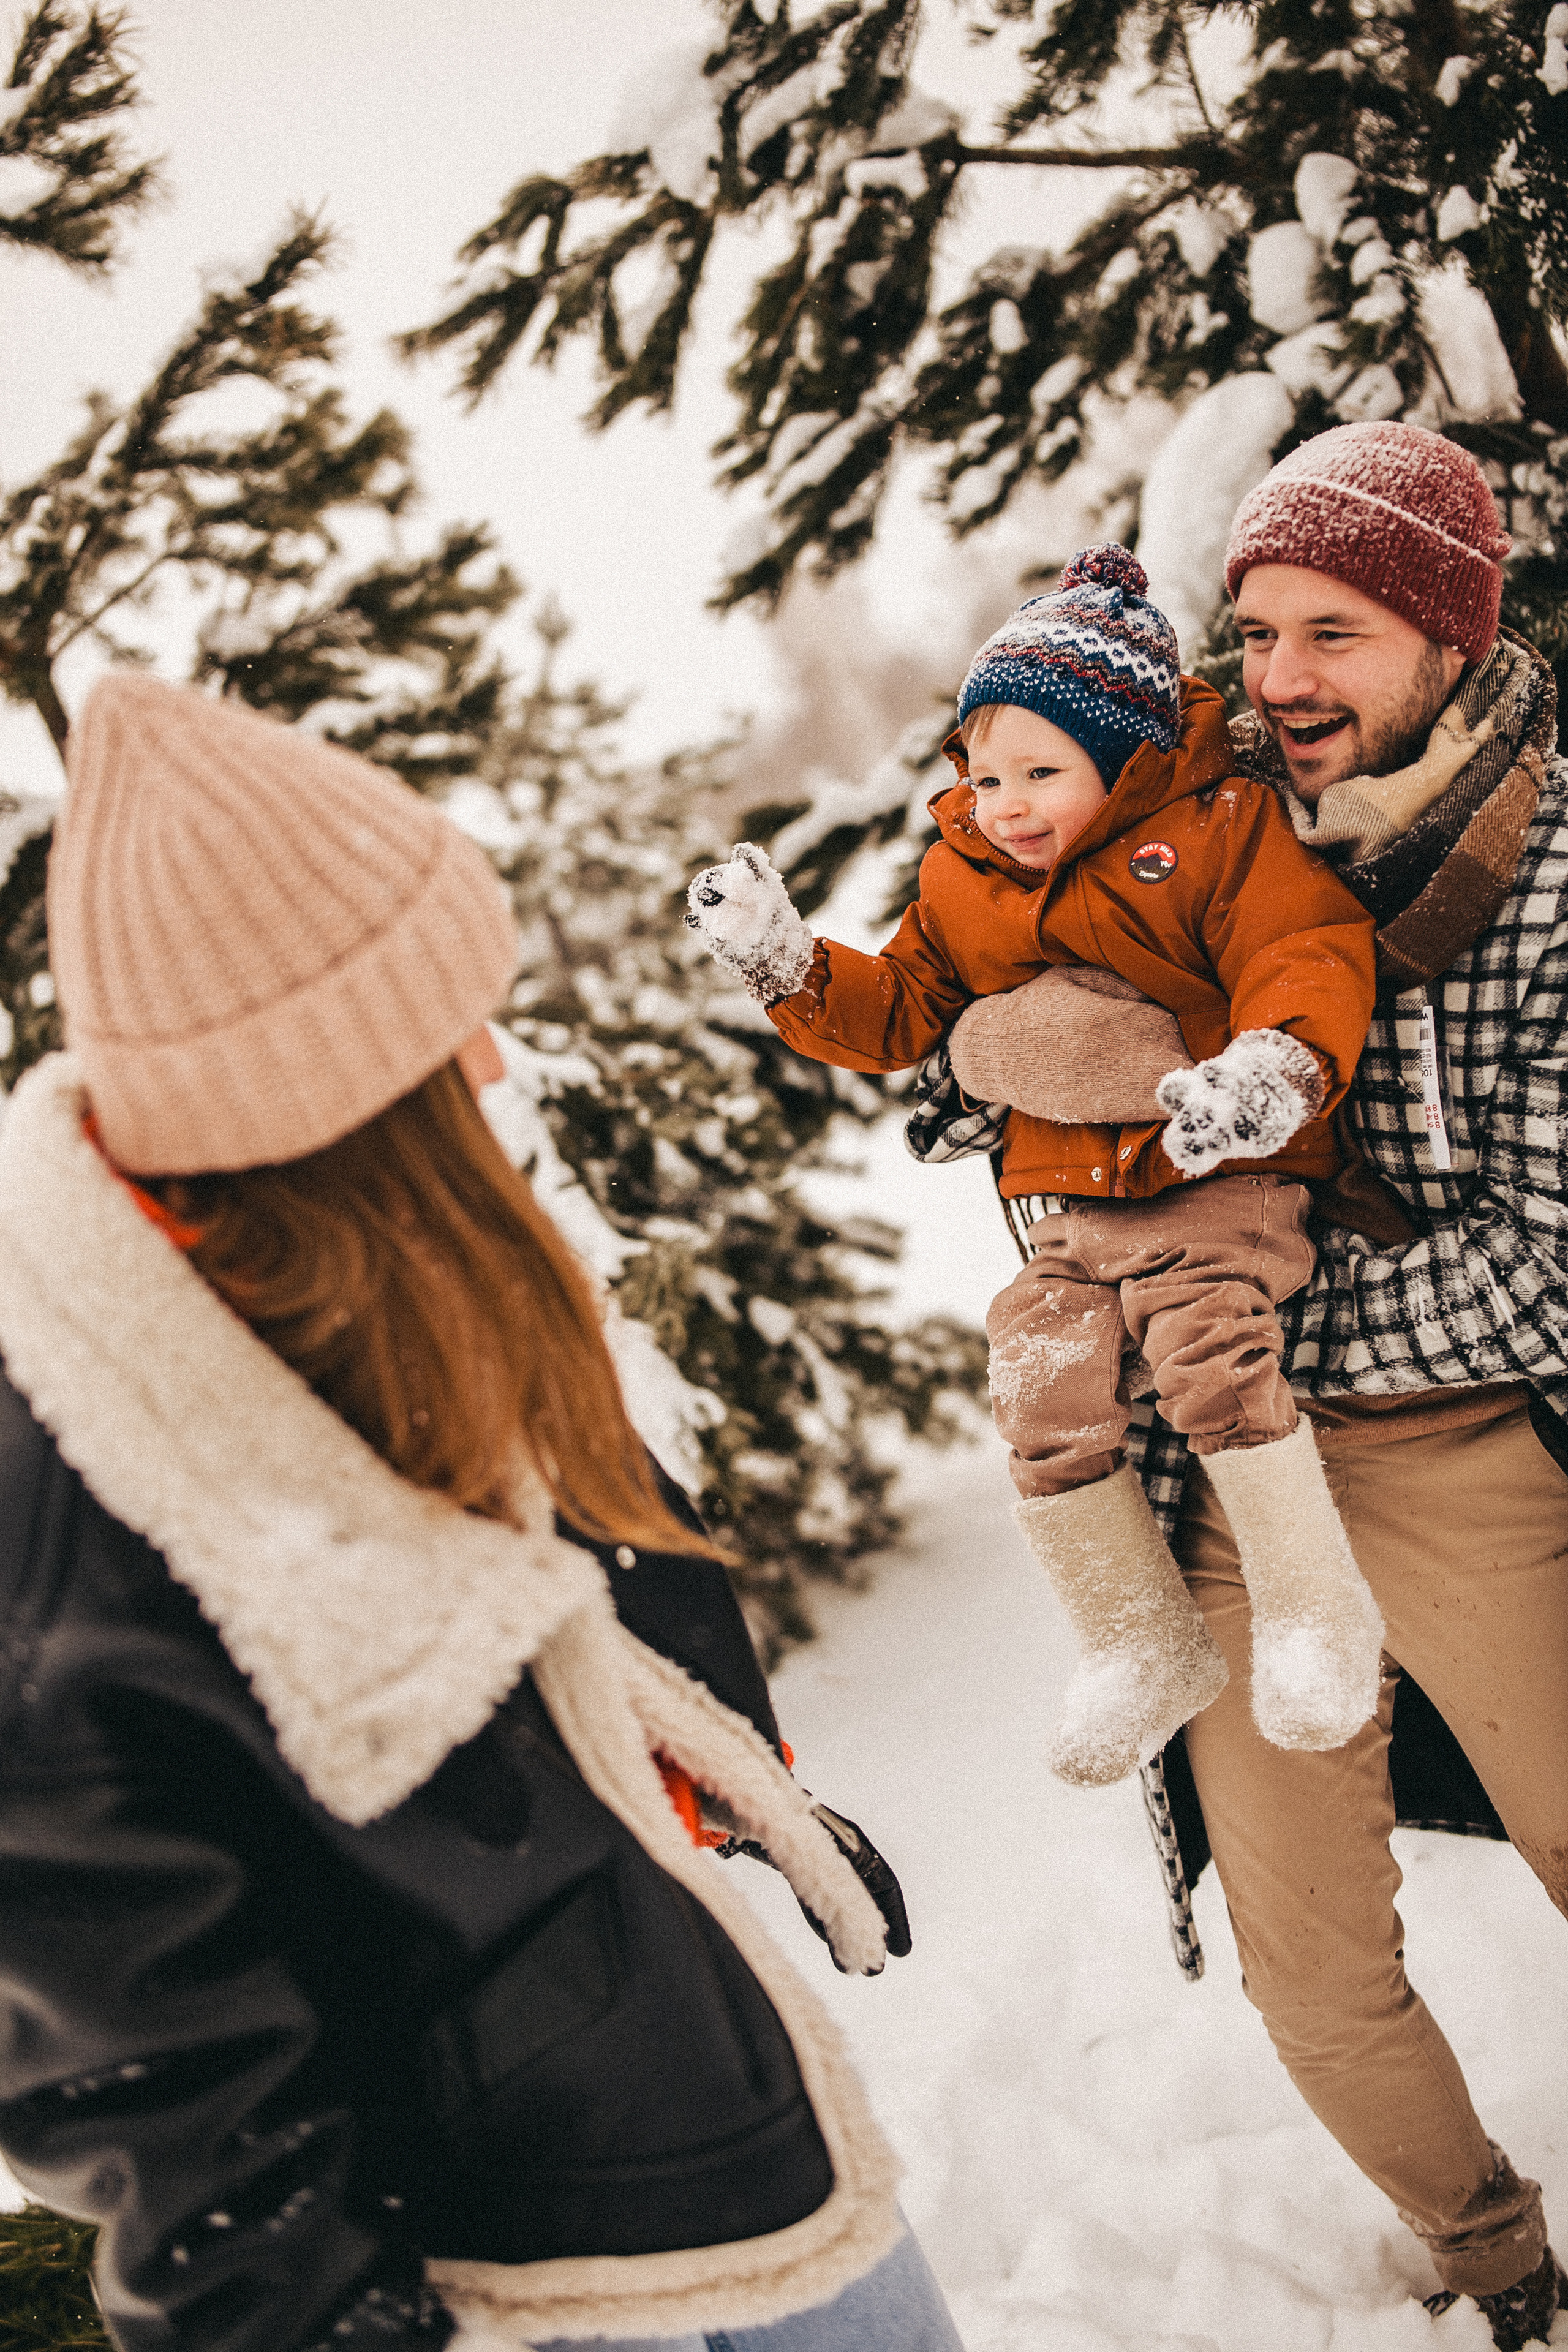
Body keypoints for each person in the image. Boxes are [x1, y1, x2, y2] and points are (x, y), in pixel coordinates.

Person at [0, 673, 960, 2352]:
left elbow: (569, 1586)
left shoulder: (345, 1284)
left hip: (727, 2146)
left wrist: (736, 1789)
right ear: (338, 1104)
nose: (497, 1054)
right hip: (530, 2293)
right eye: (453, 1022)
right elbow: (182, 2127)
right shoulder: (77, 1522)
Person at [938, 422, 1568, 2349]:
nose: (1283, 676)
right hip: (1230, 1484)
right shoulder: (1174, 822)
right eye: (1258, 627)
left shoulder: (1541, 878)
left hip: (1461, 1450)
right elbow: (1006, 973)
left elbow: (1553, 1252)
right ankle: (1493, 2267)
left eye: (1339, 630)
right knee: (1308, 1962)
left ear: (1451, 642)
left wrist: (1260, 1335)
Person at [684, 545, 1383, 1790]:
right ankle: (1132, 1640)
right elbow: (900, 1010)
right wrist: (785, 960)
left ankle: (1313, 1614)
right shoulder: (966, 880)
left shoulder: (1217, 833)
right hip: (1066, 1206)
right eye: (984, 772)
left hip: (1213, 1173)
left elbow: (1305, 954)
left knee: (1206, 1350)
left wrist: (1270, 1068)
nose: (1003, 801)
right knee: (1036, 1379)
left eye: (1038, 773)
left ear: (1121, 760)